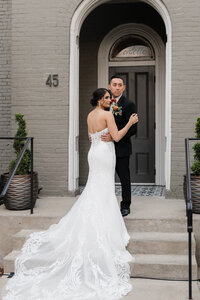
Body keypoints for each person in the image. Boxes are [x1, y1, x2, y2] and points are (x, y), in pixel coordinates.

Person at [2, 88, 138, 300]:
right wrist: (130, 122)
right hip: (105, 153)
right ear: (100, 100)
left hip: (94, 153)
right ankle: (104, 228)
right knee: (103, 188)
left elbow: (93, 136)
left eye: (110, 98)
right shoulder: (107, 114)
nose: (110, 100)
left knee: (96, 186)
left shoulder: (90, 115)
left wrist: (105, 135)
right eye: (106, 98)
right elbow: (118, 136)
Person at [101, 76, 137, 217]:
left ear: (124, 87)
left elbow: (133, 129)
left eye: (119, 85)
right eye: (114, 84)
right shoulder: (104, 103)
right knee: (105, 177)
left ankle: (125, 205)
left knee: (124, 177)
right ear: (109, 86)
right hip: (104, 148)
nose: (117, 87)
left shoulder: (129, 104)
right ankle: (105, 204)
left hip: (121, 148)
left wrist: (114, 136)